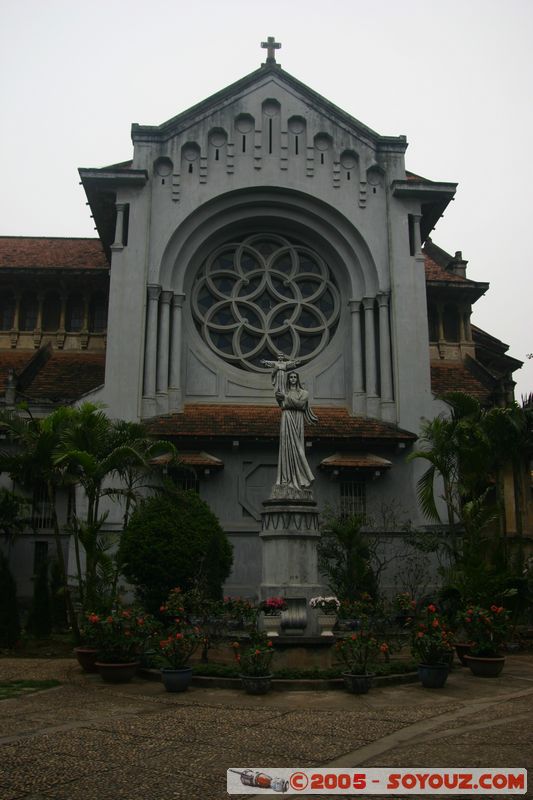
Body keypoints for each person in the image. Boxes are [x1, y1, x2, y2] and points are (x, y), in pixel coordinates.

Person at [274, 372, 318, 493]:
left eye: (295, 377)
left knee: (298, 447)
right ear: (288, 380)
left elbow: (301, 405)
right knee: (286, 447)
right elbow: (282, 403)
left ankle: (301, 479)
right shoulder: (284, 391)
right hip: (287, 418)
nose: (293, 379)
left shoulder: (304, 393)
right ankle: (286, 479)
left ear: (297, 380)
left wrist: (286, 398)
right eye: (291, 377)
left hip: (298, 419)